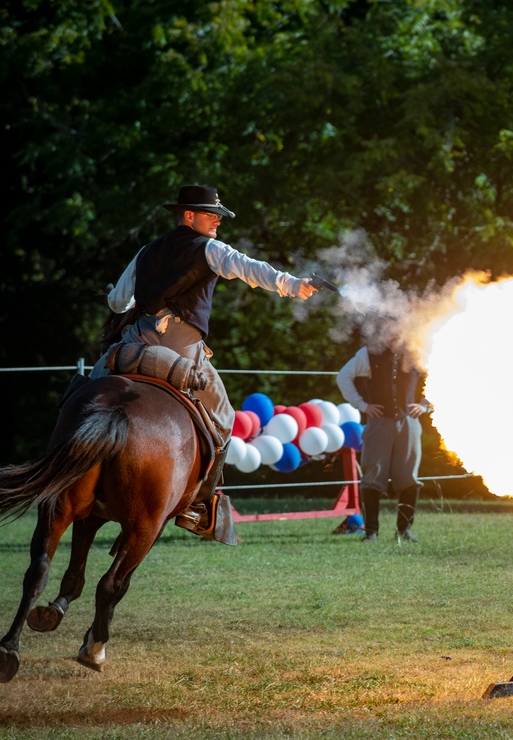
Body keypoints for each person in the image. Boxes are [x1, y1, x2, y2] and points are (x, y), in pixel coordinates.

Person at [90, 184, 319, 544]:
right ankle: (199, 506)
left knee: (92, 385)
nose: (217, 220)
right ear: (188, 215)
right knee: (225, 419)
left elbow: (118, 304)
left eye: (217, 215)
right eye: (210, 214)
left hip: (138, 337)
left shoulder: (146, 251)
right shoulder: (211, 249)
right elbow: (249, 269)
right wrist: (292, 285)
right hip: (182, 347)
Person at [336, 341, 432, 543]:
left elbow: (443, 378)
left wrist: (425, 406)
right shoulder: (369, 353)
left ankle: (404, 530)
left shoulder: (418, 352)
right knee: (373, 474)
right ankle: (371, 532)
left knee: (408, 476)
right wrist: (362, 404)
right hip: (379, 421)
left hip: (409, 421)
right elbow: (343, 376)